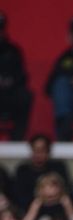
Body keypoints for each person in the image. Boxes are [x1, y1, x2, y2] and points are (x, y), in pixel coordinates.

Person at [13, 135, 72, 211]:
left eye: (42, 150)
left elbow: (67, 189)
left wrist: (53, 197)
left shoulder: (58, 167)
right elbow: (19, 196)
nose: (38, 154)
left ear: (48, 151)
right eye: (36, 150)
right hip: (30, 209)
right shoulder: (23, 170)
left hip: (58, 208)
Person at [0, 11, 32, 141]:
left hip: (9, 94)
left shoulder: (14, 51)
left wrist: (9, 82)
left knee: (25, 96)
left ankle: (17, 141)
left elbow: (22, 77)